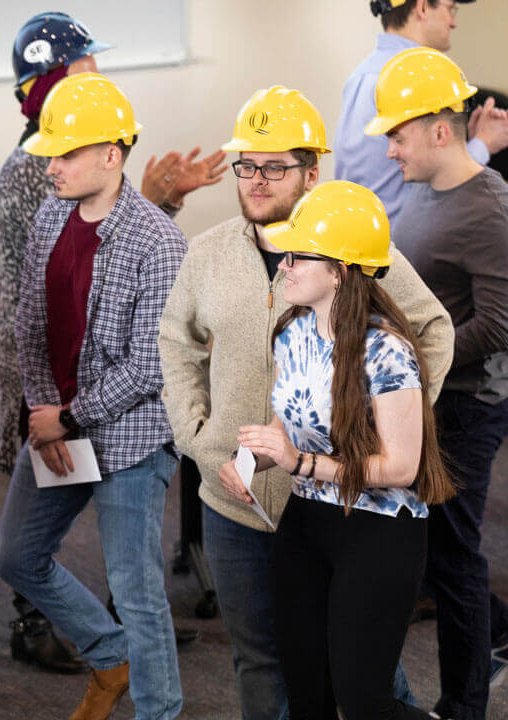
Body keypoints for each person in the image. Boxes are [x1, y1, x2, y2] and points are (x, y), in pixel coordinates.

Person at [158, 87, 453, 719]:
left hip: (345, 502)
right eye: (246, 165)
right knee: (264, 659)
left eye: (275, 167)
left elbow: (430, 330)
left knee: (363, 676)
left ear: (312, 172)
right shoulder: (208, 254)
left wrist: (387, 418)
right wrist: (199, 437)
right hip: (234, 497)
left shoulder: (352, 248)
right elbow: (176, 345)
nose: (257, 180)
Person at [0, 11, 223, 671]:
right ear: (42, 87)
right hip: (51, 381)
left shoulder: (90, 171)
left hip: (95, 395)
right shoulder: (32, 171)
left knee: (126, 562)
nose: (94, 82)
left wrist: (152, 205)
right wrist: (46, 409)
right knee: (27, 544)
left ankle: (128, 650)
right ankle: (60, 633)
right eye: (81, 71)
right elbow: (50, 289)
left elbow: (107, 258)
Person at [221, 180, 455, 719]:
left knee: (365, 702)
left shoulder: (388, 350)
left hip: (378, 531)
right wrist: (253, 457)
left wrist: (299, 462)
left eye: (299, 255)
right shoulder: (291, 332)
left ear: (340, 271)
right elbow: (293, 422)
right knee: (309, 698)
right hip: (306, 522)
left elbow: (401, 466)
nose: (284, 265)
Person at [368, 47, 508, 719]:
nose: (390, 149)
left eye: (397, 134)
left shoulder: (488, 209)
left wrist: (422, 358)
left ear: (439, 131)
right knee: (428, 554)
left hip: (464, 409)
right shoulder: (426, 193)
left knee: (453, 561)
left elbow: (502, 324)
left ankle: (465, 706)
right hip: (422, 400)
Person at [335, 0, 508, 221]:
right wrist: (485, 143)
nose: (454, 22)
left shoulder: (360, 76)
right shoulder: (416, 78)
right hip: (404, 246)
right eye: (450, 8)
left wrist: (460, 147)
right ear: (423, 7)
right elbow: (442, 183)